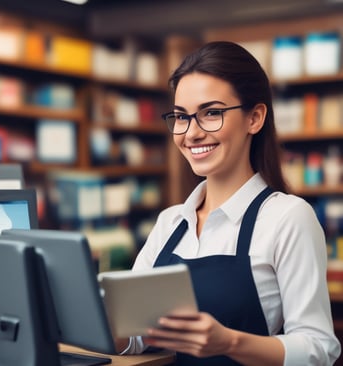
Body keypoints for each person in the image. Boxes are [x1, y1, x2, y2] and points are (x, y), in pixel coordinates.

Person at [119, 41, 341, 365]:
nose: (191, 133)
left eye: (211, 113)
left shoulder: (288, 218)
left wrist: (228, 342)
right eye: (181, 117)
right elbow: (136, 334)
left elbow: (318, 348)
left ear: (255, 118)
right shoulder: (171, 222)